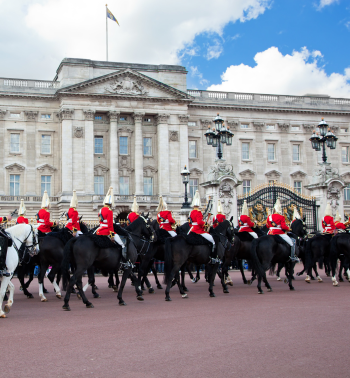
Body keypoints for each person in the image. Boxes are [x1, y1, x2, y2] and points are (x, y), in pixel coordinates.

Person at [188, 190, 217, 264]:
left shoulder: (190, 212)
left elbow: (190, 222)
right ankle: (213, 258)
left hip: (192, 229)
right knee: (213, 241)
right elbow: (199, 222)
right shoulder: (198, 212)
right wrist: (206, 223)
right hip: (198, 230)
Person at [266, 198, 299, 263]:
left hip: (270, 232)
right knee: (292, 243)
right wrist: (289, 228)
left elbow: (268, 226)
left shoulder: (269, 216)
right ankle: (293, 257)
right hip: (279, 233)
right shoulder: (281, 217)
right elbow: (283, 226)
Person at [96, 187, 126, 253]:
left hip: (99, 230)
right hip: (106, 230)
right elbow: (110, 224)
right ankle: (123, 260)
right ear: (110, 203)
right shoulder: (109, 211)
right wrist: (112, 235)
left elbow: (100, 221)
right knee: (121, 244)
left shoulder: (100, 210)